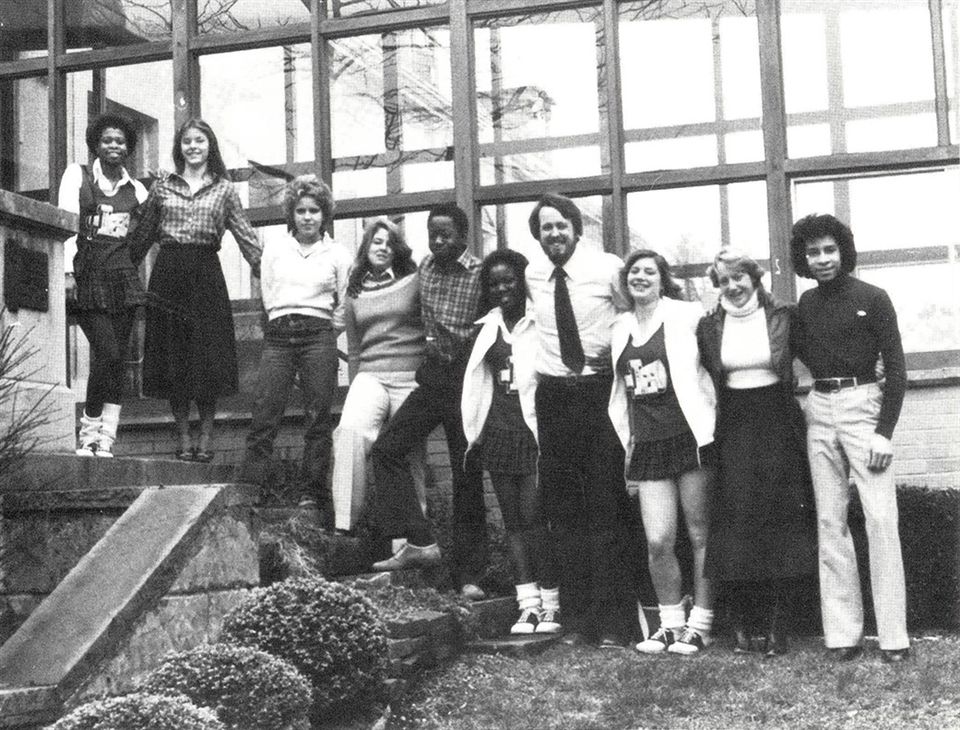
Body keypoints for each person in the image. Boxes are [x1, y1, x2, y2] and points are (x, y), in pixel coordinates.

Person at [790, 213, 910, 663]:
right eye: (813, 252)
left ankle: (894, 637)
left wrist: (884, 433)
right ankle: (843, 633)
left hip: (865, 408)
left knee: (880, 520)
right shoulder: (805, 305)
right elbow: (800, 351)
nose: (822, 259)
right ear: (803, 257)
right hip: (819, 408)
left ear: (843, 252)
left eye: (829, 250)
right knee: (830, 522)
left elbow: (897, 370)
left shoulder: (874, 298)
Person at [525, 193, 636, 648]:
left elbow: (635, 315)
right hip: (555, 398)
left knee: (606, 509)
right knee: (564, 513)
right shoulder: (532, 275)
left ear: (576, 229)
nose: (554, 234)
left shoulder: (607, 268)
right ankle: (578, 620)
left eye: (561, 226)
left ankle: (615, 622)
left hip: (598, 394)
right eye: (546, 227)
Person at [696, 248, 817, 656]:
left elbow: (817, 355)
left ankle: (780, 626)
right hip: (733, 422)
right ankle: (745, 625)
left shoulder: (785, 314)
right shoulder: (709, 325)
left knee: (781, 517)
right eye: (723, 280)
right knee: (737, 520)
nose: (732, 286)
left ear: (754, 276)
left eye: (738, 277)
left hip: (777, 418)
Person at [368, 203, 488, 601]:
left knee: (466, 474)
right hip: (434, 377)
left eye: (447, 235)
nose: (439, 242)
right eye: (433, 235)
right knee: (386, 450)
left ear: (463, 236)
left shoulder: (480, 274)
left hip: (468, 380)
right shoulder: (425, 270)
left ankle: (470, 575)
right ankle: (420, 541)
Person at [128, 118, 261, 462]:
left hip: (205, 276)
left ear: (209, 146)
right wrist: (118, 271)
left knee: (206, 358)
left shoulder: (224, 190)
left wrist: (273, 272)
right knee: (175, 358)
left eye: (199, 141)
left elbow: (246, 237)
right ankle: (183, 435)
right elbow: (141, 237)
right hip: (169, 274)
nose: (193, 147)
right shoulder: (162, 187)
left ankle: (206, 436)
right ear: (180, 148)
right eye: (187, 141)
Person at [609, 249, 717, 656]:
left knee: (700, 533)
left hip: (689, 436)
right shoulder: (619, 327)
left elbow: (711, 363)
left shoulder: (686, 314)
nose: (640, 277)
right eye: (633, 271)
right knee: (658, 539)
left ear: (662, 279)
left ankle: (701, 625)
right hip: (648, 444)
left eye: (648, 272)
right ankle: (670, 623)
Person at [238, 175, 350, 525]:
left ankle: (312, 495)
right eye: (300, 210)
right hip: (279, 337)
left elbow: (345, 301)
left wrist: (327, 329)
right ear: (292, 214)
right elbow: (267, 293)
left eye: (314, 210)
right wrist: (278, 321)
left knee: (318, 419)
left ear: (324, 214)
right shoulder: (274, 248)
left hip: (318, 336)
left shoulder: (338, 254)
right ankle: (249, 492)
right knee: (264, 415)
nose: (307, 217)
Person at [461, 249, 560, 635]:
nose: (502, 289)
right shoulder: (487, 327)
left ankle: (551, 604)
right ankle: (527, 604)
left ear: (522, 281)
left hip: (533, 434)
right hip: (499, 435)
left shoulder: (540, 322)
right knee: (514, 523)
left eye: (509, 280)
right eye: (494, 283)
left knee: (537, 520)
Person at [58, 113, 148, 457]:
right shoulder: (77, 175)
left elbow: (139, 238)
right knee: (107, 352)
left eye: (121, 141)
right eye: (108, 140)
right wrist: (67, 273)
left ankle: (105, 439)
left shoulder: (136, 189)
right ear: (96, 144)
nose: (114, 146)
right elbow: (66, 227)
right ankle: (88, 433)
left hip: (123, 280)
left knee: (117, 359)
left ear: (128, 149)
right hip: (88, 277)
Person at [331, 217, 428, 533]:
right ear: (366, 247)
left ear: (397, 250)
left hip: (410, 375)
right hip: (370, 376)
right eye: (377, 241)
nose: (383, 247)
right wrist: (354, 386)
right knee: (349, 435)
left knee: (408, 452)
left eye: (389, 243)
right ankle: (344, 524)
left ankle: (414, 534)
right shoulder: (354, 292)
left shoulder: (414, 281)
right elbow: (355, 348)